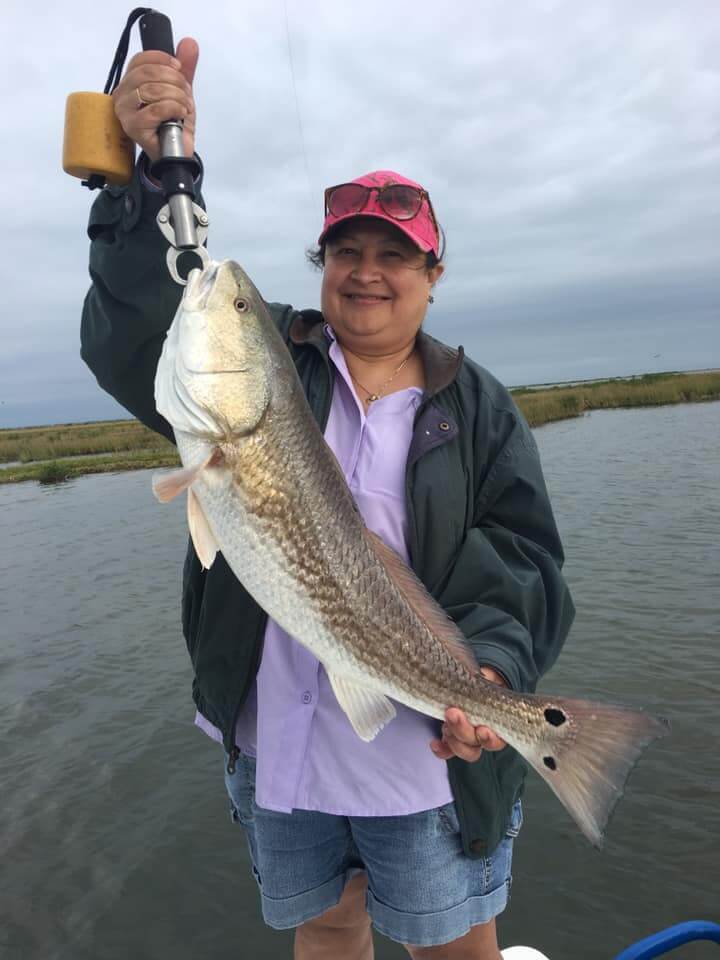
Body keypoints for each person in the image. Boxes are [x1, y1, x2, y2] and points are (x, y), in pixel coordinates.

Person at [81, 38, 575, 960]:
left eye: (397, 254)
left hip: (421, 751)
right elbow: (138, 331)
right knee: (326, 924)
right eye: (345, 249)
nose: (366, 271)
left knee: (456, 938)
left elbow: (525, 559)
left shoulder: (480, 410)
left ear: (433, 276)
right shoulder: (271, 370)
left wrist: (495, 675)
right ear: (322, 265)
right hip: (282, 740)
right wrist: (140, 185)